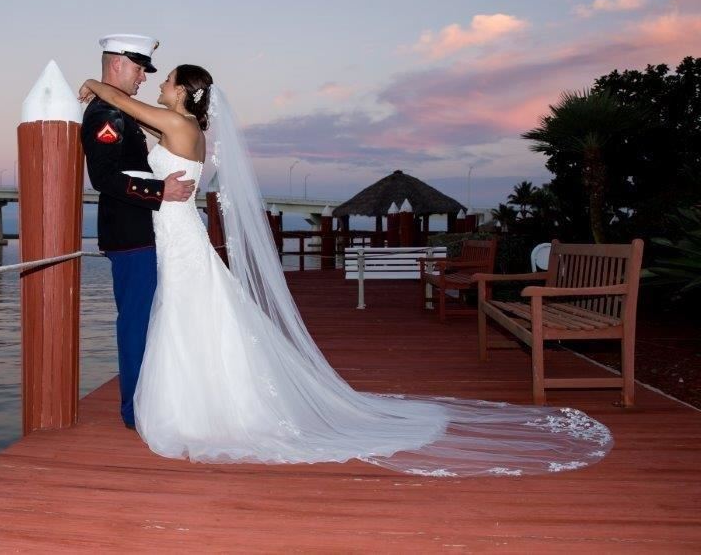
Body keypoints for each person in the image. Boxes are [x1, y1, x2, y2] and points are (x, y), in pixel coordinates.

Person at [78, 69, 614, 477]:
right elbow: (133, 123)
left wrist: (92, 83)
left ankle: (202, 408)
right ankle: (204, 400)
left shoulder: (177, 121)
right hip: (175, 236)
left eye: (168, 80)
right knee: (195, 318)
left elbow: (125, 102)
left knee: (189, 316)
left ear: (183, 94)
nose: (162, 83)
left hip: (177, 236)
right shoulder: (184, 125)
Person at [80, 34, 196, 430]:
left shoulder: (120, 111)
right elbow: (105, 177)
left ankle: (148, 400)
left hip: (144, 233)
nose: (145, 77)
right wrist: (160, 190)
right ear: (117, 65)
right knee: (136, 322)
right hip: (131, 237)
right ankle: (135, 410)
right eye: (139, 69)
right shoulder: (106, 114)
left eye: (148, 71)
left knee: (149, 320)